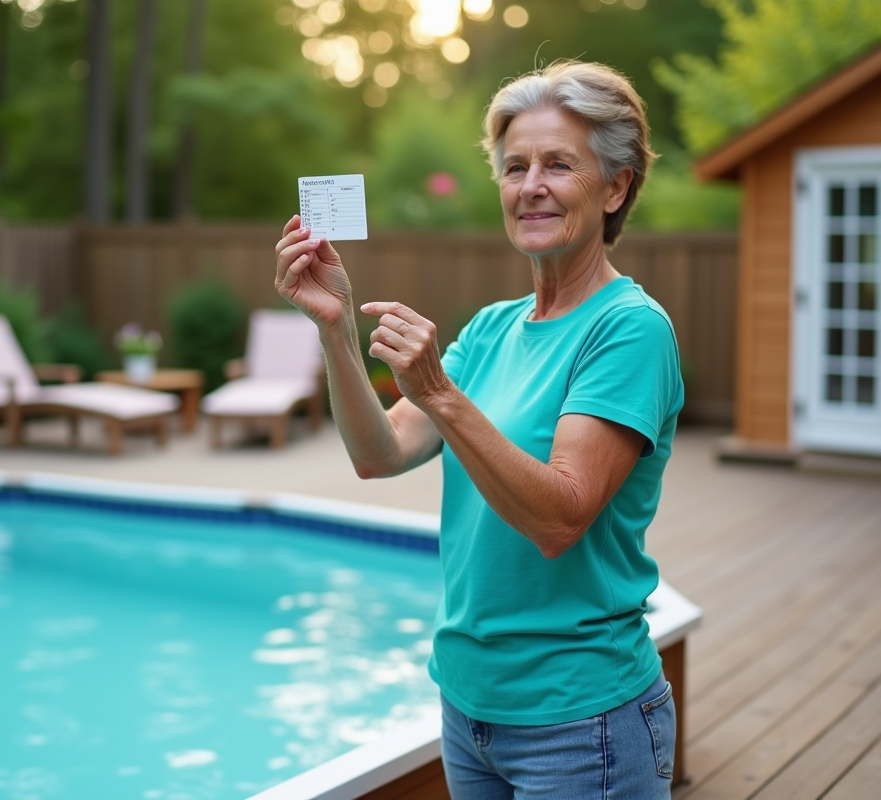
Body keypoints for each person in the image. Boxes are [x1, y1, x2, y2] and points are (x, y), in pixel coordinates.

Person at [274, 60, 682, 799]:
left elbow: (560, 517)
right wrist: (335, 328)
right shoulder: (492, 328)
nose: (531, 186)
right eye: (515, 166)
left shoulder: (630, 331)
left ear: (616, 186)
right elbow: (381, 452)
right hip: (469, 708)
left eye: (559, 164)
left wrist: (438, 391)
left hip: (580, 719)